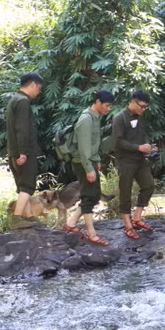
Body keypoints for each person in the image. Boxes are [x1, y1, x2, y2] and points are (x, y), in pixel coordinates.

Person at [64, 89, 114, 245]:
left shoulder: (95, 117)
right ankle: (91, 233)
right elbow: (84, 148)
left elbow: (93, 143)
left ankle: (70, 224)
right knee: (88, 196)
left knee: (93, 195)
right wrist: (89, 168)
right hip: (82, 162)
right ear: (98, 102)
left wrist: (96, 160)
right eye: (107, 105)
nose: (108, 108)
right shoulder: (86, 119)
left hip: (90, 161)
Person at [112, 89, 155, 239]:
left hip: (140, 159)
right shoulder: (119, 118)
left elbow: (140, 136)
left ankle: (137, 217)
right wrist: (138, 147)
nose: (143, 109)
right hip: (125, 160)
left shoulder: (140, 117)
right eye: (141, 106)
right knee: (125, 192)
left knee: (149, 186)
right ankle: (128, 225)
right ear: (133, 101)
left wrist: (148, 146)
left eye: (145, 107)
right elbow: (118, 141)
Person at [5, 72, 44, 229]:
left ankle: (27, 216)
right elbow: (22, 129)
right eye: (39, 88)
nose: (38, 92)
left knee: (23, 186)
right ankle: (17, 217)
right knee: (28, 185)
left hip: (13, 151)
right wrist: (23, 152)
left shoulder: (14, 99)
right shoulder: (23, 102)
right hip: (23, 152)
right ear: (33, 84)